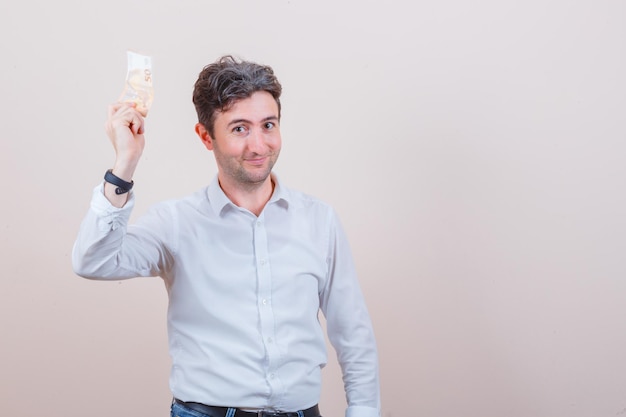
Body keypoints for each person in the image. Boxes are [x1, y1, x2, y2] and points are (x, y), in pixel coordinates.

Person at [72, 55, 380, 417]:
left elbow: (353, 333)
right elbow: (92, 261)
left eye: (268, 125)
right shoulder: (176, 222)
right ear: (206, 136)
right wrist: (125, 163)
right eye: (239, 128)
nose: (259, 145)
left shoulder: (319, 220)